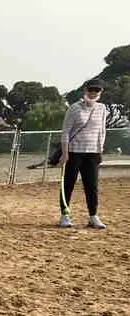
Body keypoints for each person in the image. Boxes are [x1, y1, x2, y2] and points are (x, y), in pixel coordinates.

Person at [58, 78, 108, 229]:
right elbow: (66, 132)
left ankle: (93, 216)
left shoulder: (102, 108)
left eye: (97, 90)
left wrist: (100, 149)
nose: (93, 93)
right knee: (68, 184)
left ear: (100, 92)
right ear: (85, 90)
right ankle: (65, 215)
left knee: (92, 186)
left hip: (92, 153)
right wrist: (65, 153)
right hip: (74, 152)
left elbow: (102, 131)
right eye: (91, 89)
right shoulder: (74, 108)